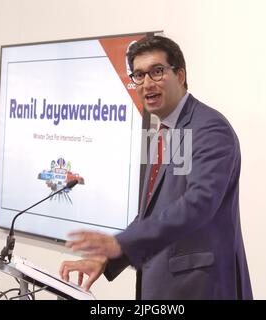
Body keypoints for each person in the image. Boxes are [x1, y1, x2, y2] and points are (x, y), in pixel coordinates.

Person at [59, 35, 253, 300]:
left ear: (180, 75)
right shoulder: (162, 132)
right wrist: (108, 258)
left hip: (201, 288)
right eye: (138, 75)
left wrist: (121, 242)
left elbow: (198, 204)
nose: (147, 83)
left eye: (157, 72)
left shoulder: (210, 129)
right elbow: (153, 213)